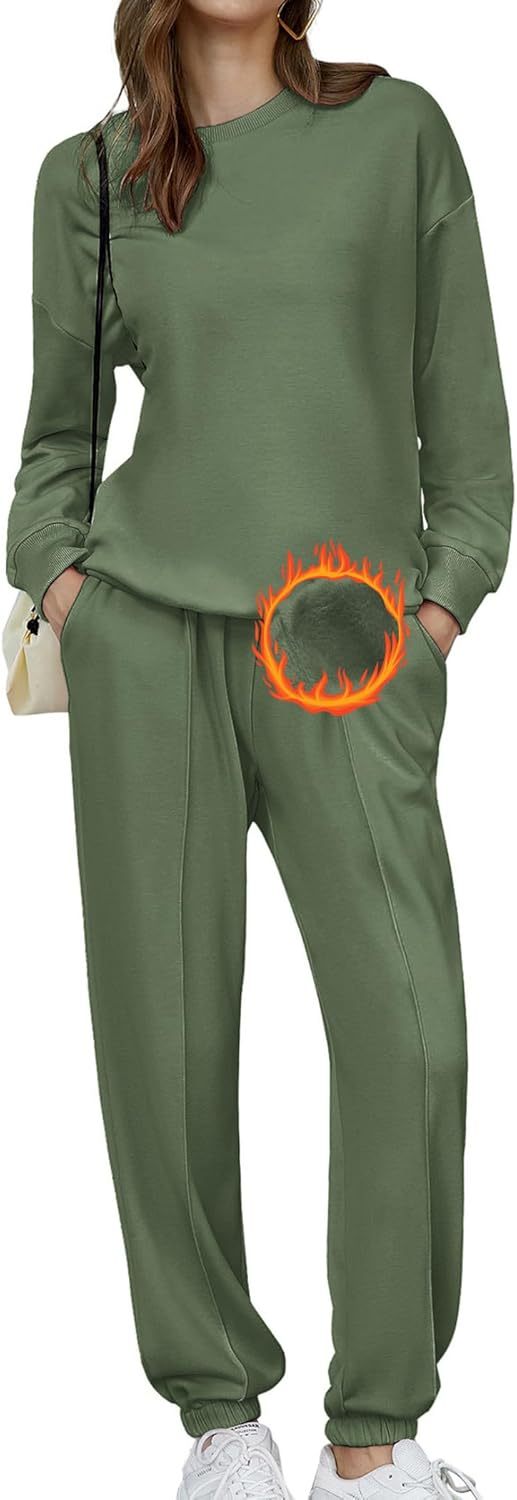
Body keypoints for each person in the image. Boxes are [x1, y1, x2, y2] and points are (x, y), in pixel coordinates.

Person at [5, 2, 513, 1496]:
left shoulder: (396, 132)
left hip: (348, 641)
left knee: (409, 1028)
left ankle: (377, 1436)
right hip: (148, 637)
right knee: (162, 1043)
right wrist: (71, 589)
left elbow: (467, 431)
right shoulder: (89, 176)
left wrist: (437, 611)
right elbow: (53, 445)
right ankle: (221, 1421)